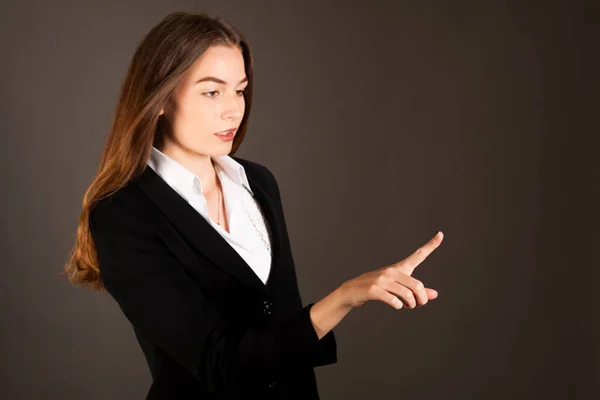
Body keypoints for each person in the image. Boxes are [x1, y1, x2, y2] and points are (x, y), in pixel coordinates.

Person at [62, 11, 443, 400]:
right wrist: (345, 297)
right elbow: (219, 363)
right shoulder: (123, 214)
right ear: (158, 99)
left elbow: (278, 330)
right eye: (212, 92)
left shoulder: (258, 183)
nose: (234, 109)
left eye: (240, 90)